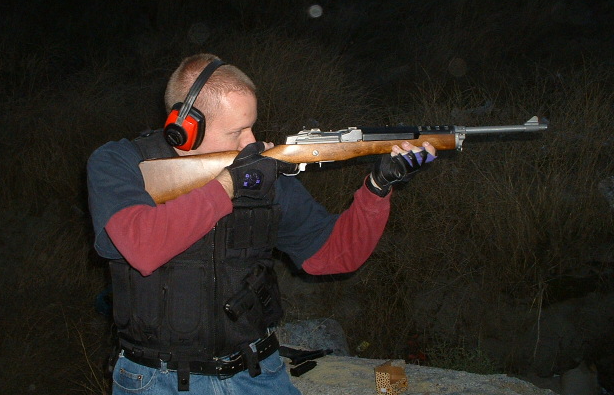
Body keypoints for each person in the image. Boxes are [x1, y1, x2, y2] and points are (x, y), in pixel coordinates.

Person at [87, 53, 437, 395]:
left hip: (257, 373)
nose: (251, 142)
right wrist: (230, 184)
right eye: (237, 131)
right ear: (185, 129)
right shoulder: (120, 163)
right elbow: (142, 247)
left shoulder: (259, 172)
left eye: (252, 126)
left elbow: (333, 255)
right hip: (156, 380)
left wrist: (377, 189)